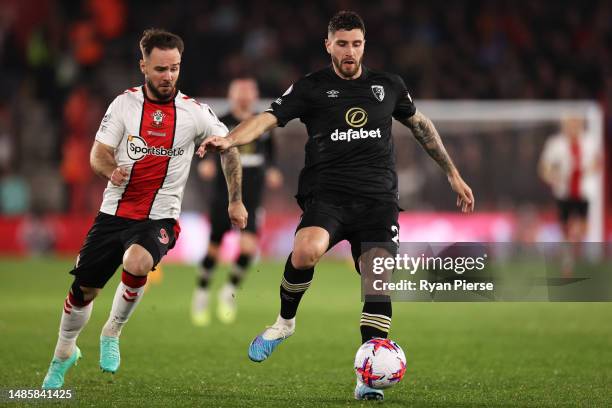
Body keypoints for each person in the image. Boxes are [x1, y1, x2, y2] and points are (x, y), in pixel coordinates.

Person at [200, 11, 474, 401]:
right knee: (306, 250)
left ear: (365, 45)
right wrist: (230, 139)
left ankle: (367, 376)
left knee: (376, 280)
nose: (350, 51)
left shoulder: (388, 86)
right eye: (342, 43)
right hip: (327, 196)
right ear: (328, 45)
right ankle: (284, 323)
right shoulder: (311, 88)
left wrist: (452, 173)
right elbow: (265, 118)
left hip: (379, 201)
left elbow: (421, 126)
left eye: (356, 44)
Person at [41, 28, 247, 389]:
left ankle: (112, 332)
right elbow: (98, 154)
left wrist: (235, 198)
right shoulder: (123, 104)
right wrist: (111, 170)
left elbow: (230, 147)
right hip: (114, 214)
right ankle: (64, 353)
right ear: (143, 66)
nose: (168, 76)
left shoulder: (195, 113)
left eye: (174, 68)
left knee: (138, 263)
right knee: (82, 292)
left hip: (159, 217)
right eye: (160, 69)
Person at [192, 78, 283, 326]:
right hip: (225, 195)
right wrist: (205, 164)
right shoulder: (219, 121)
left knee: (249, 248)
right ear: (232, 95)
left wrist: (273, 169)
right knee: (214, 248)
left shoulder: (261, 124)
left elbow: (271, 154)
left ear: (254, 95)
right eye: (239, 92)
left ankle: (227, 291)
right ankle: (202, 292)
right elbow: (206, 149)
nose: (244, 96)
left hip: (253, 196)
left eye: (248, 92)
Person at [539, 116, 600, 242]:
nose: (573, 127)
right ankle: (567, 253)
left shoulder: (589, 141)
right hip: (563, 190)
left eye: (576, 123)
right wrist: (552, 177)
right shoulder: (556, 143)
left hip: (584, 190)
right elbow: (545, 166)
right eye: (570, 124)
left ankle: (581, 249)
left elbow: (597, 162)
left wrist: (587, 170)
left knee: (584, 224)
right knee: (564, 224)